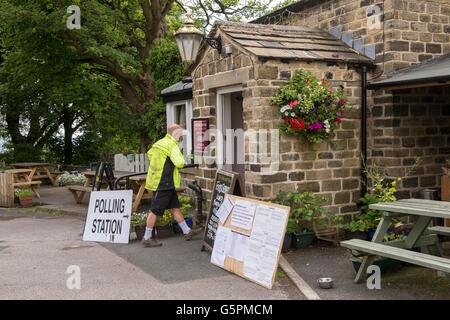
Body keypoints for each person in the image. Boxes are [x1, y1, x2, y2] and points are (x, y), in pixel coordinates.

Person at [142, 124, 202, 247]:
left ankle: (187, 231)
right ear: (175, 133)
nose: (181, 135)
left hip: (160, 180)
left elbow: (149, 154)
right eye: (180, 133)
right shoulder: (171, 145)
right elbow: (179, 163)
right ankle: (147, 237)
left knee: (175, 207)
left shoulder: (160, 143)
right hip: (164, 182)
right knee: (155, 210)